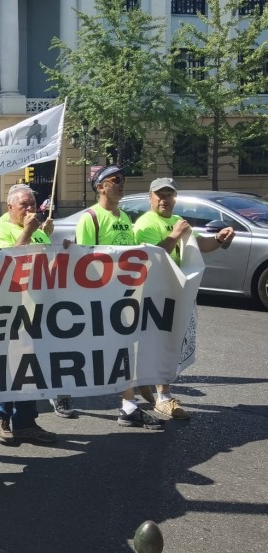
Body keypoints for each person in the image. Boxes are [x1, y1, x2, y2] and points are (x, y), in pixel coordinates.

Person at [132, 177, 234, 420]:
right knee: (164, 343)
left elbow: (200, 246)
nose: (165, 199)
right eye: (160, 195)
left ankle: (146, 381)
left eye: (169, 195)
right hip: (153, 293)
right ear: (151, 197)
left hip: (174, 291)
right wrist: (176, 235)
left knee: (167, 343)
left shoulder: (178, 221)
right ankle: (164, 398)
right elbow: (151, 257)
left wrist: (219, 239)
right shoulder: (145, 223)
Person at [72, 164, 163, 429]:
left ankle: (128, 406)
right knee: (89, 351)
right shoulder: (90, 217)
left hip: (126, 296)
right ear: (101, 187)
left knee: (127, 351)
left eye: (123, 179)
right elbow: (84, 259)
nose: (122, 184)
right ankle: (62, 393)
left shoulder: (124, 217)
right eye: (115, 180)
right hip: (102, 296)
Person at [0, 184, 58, 445]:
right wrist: (28, 230)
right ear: (10, 207)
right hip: (12, 308)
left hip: (37, 307)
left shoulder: (38, 229)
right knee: (14, 364)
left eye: (32, 204)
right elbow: (6, 263)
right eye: (24, 205)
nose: (30, 209)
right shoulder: (1, 228)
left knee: (33, 367)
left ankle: (26, 422)